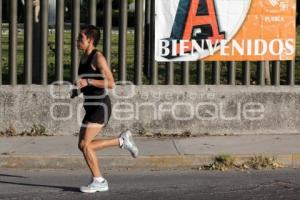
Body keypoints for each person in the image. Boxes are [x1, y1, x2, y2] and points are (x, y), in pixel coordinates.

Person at [74, 25, 139, 193]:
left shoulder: (98, 58)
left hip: (100, 106)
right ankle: (121, 141)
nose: (77, 41)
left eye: (80, 38)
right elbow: (88, 80)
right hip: (91, 106)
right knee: (83, 145)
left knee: (87, 145)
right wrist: (79, 89)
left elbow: (111, 83)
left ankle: (99, 180)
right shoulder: (84, 57)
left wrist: (87, 82)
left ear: (90, 40)